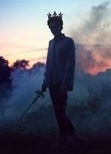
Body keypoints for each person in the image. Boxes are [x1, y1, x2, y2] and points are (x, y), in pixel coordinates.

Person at [42, 11, 76, 143]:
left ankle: (69, 136)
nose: (53, 29)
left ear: (61, 26)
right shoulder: (50, 43)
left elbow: (70, 63)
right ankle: (67, 136)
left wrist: (65, 82)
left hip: (62, 82)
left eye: (56, 26)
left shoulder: (68, 42)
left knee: (60, 111)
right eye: (51, 27)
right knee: (58, 111)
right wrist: (45, 82)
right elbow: (48, 64)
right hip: (51, 82)